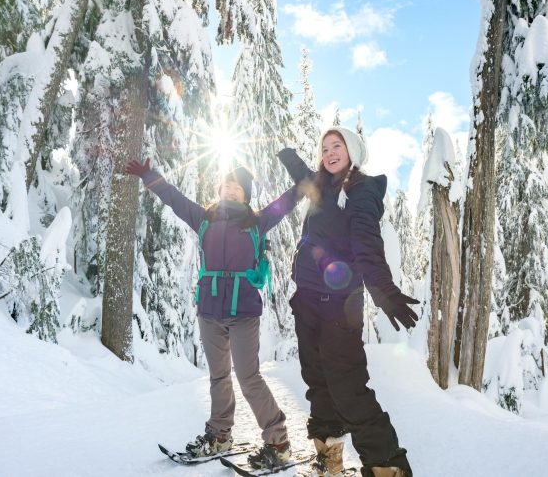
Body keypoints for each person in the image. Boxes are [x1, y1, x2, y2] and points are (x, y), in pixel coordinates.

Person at [125, 158, 298, 470]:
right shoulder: (203, 218)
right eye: (226, 184)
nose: (230, 189)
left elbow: (285, 203)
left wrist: (309, 182)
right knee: (218, 376)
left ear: (246, 195)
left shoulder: (257, 222)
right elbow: (174, 198)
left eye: (237, 187)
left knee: (248, 377)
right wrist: (149, 175)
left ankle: (278, 442)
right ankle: (219, 436)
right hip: (209, 310)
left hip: (244, 311)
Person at [277, 127, 419, 477]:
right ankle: (329, 458)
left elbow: (366, 242)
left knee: (347, 387)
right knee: (318, 381)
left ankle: (388, 467)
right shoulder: (320, 185)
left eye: (336, 146)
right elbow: (302, 174)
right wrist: (287, 154)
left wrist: (384, 291)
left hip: (341, 305)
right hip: (307, 301)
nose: (329, 153)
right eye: (324, 148)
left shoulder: (361, 190)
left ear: (352, 150)